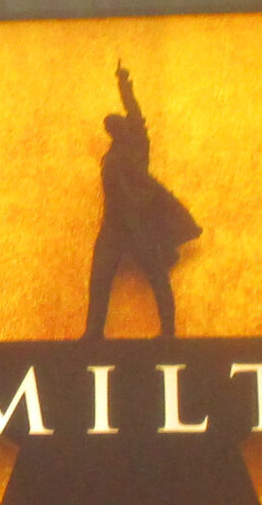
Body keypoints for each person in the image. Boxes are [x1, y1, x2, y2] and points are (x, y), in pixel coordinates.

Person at [86, 63, 201, 338]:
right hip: (113, 226)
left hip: (139, 225)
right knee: (100, 277)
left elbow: (134, 111)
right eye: (108, 126)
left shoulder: (137, 142)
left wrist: (123, 82)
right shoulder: (113, 153)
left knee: (157, 276)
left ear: (124, 127)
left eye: (114, 123)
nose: (110, 126)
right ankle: (93, 332)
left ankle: (168, 330)